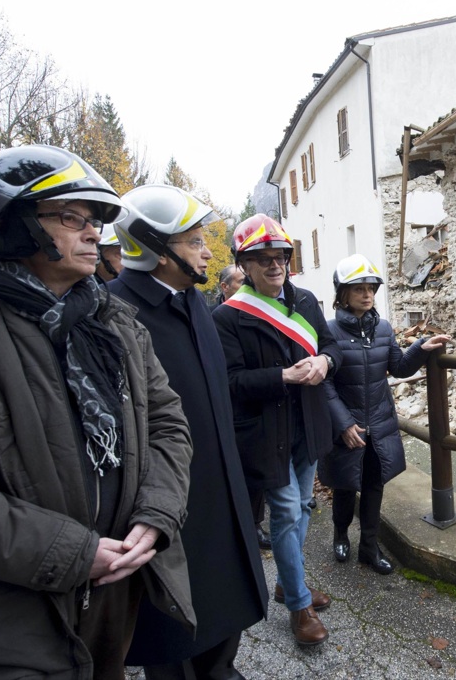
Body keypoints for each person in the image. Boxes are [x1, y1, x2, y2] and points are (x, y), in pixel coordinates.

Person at [0, 145, 194, 679]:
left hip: (109, 597)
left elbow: (167, 425)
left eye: (94, 221)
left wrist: (156, 515)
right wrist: (74, 553)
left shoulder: (117, 324)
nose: (94, 234)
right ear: (12, 224)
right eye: (70, 218)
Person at [110, 184, 267, 679]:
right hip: (165, 496)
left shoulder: (195, 301)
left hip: (220, 482)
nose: (206, 251)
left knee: (225, 592)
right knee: (172, 620)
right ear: (154, 249)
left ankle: (222, 668)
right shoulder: (114, 312)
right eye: (193, 240)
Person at [213, 214, 340, 647]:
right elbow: (229, 383)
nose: (274, 265)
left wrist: (325, 362)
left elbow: (331, 346)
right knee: (286, 512)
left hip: (308, 424)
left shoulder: (305, 301)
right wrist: (281, 376)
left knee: (303, 505)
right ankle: (298, 606)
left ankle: (289, 581)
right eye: (262, 259)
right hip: (266, 431)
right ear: (244, 266)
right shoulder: (228, 318)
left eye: (281, 257)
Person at [320, 254, 450, 574]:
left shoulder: (383, 328)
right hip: (346, 426)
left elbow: (399, 367)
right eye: (359, 289)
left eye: (371, 288)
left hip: (379, 425)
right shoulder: (329, 332)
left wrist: (421, 346)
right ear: (343, 294)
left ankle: (369, 546)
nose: (368, 295)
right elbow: (324, 383)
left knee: (374, 486)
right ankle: (340, 535)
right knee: (345, 486)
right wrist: (343, 423)